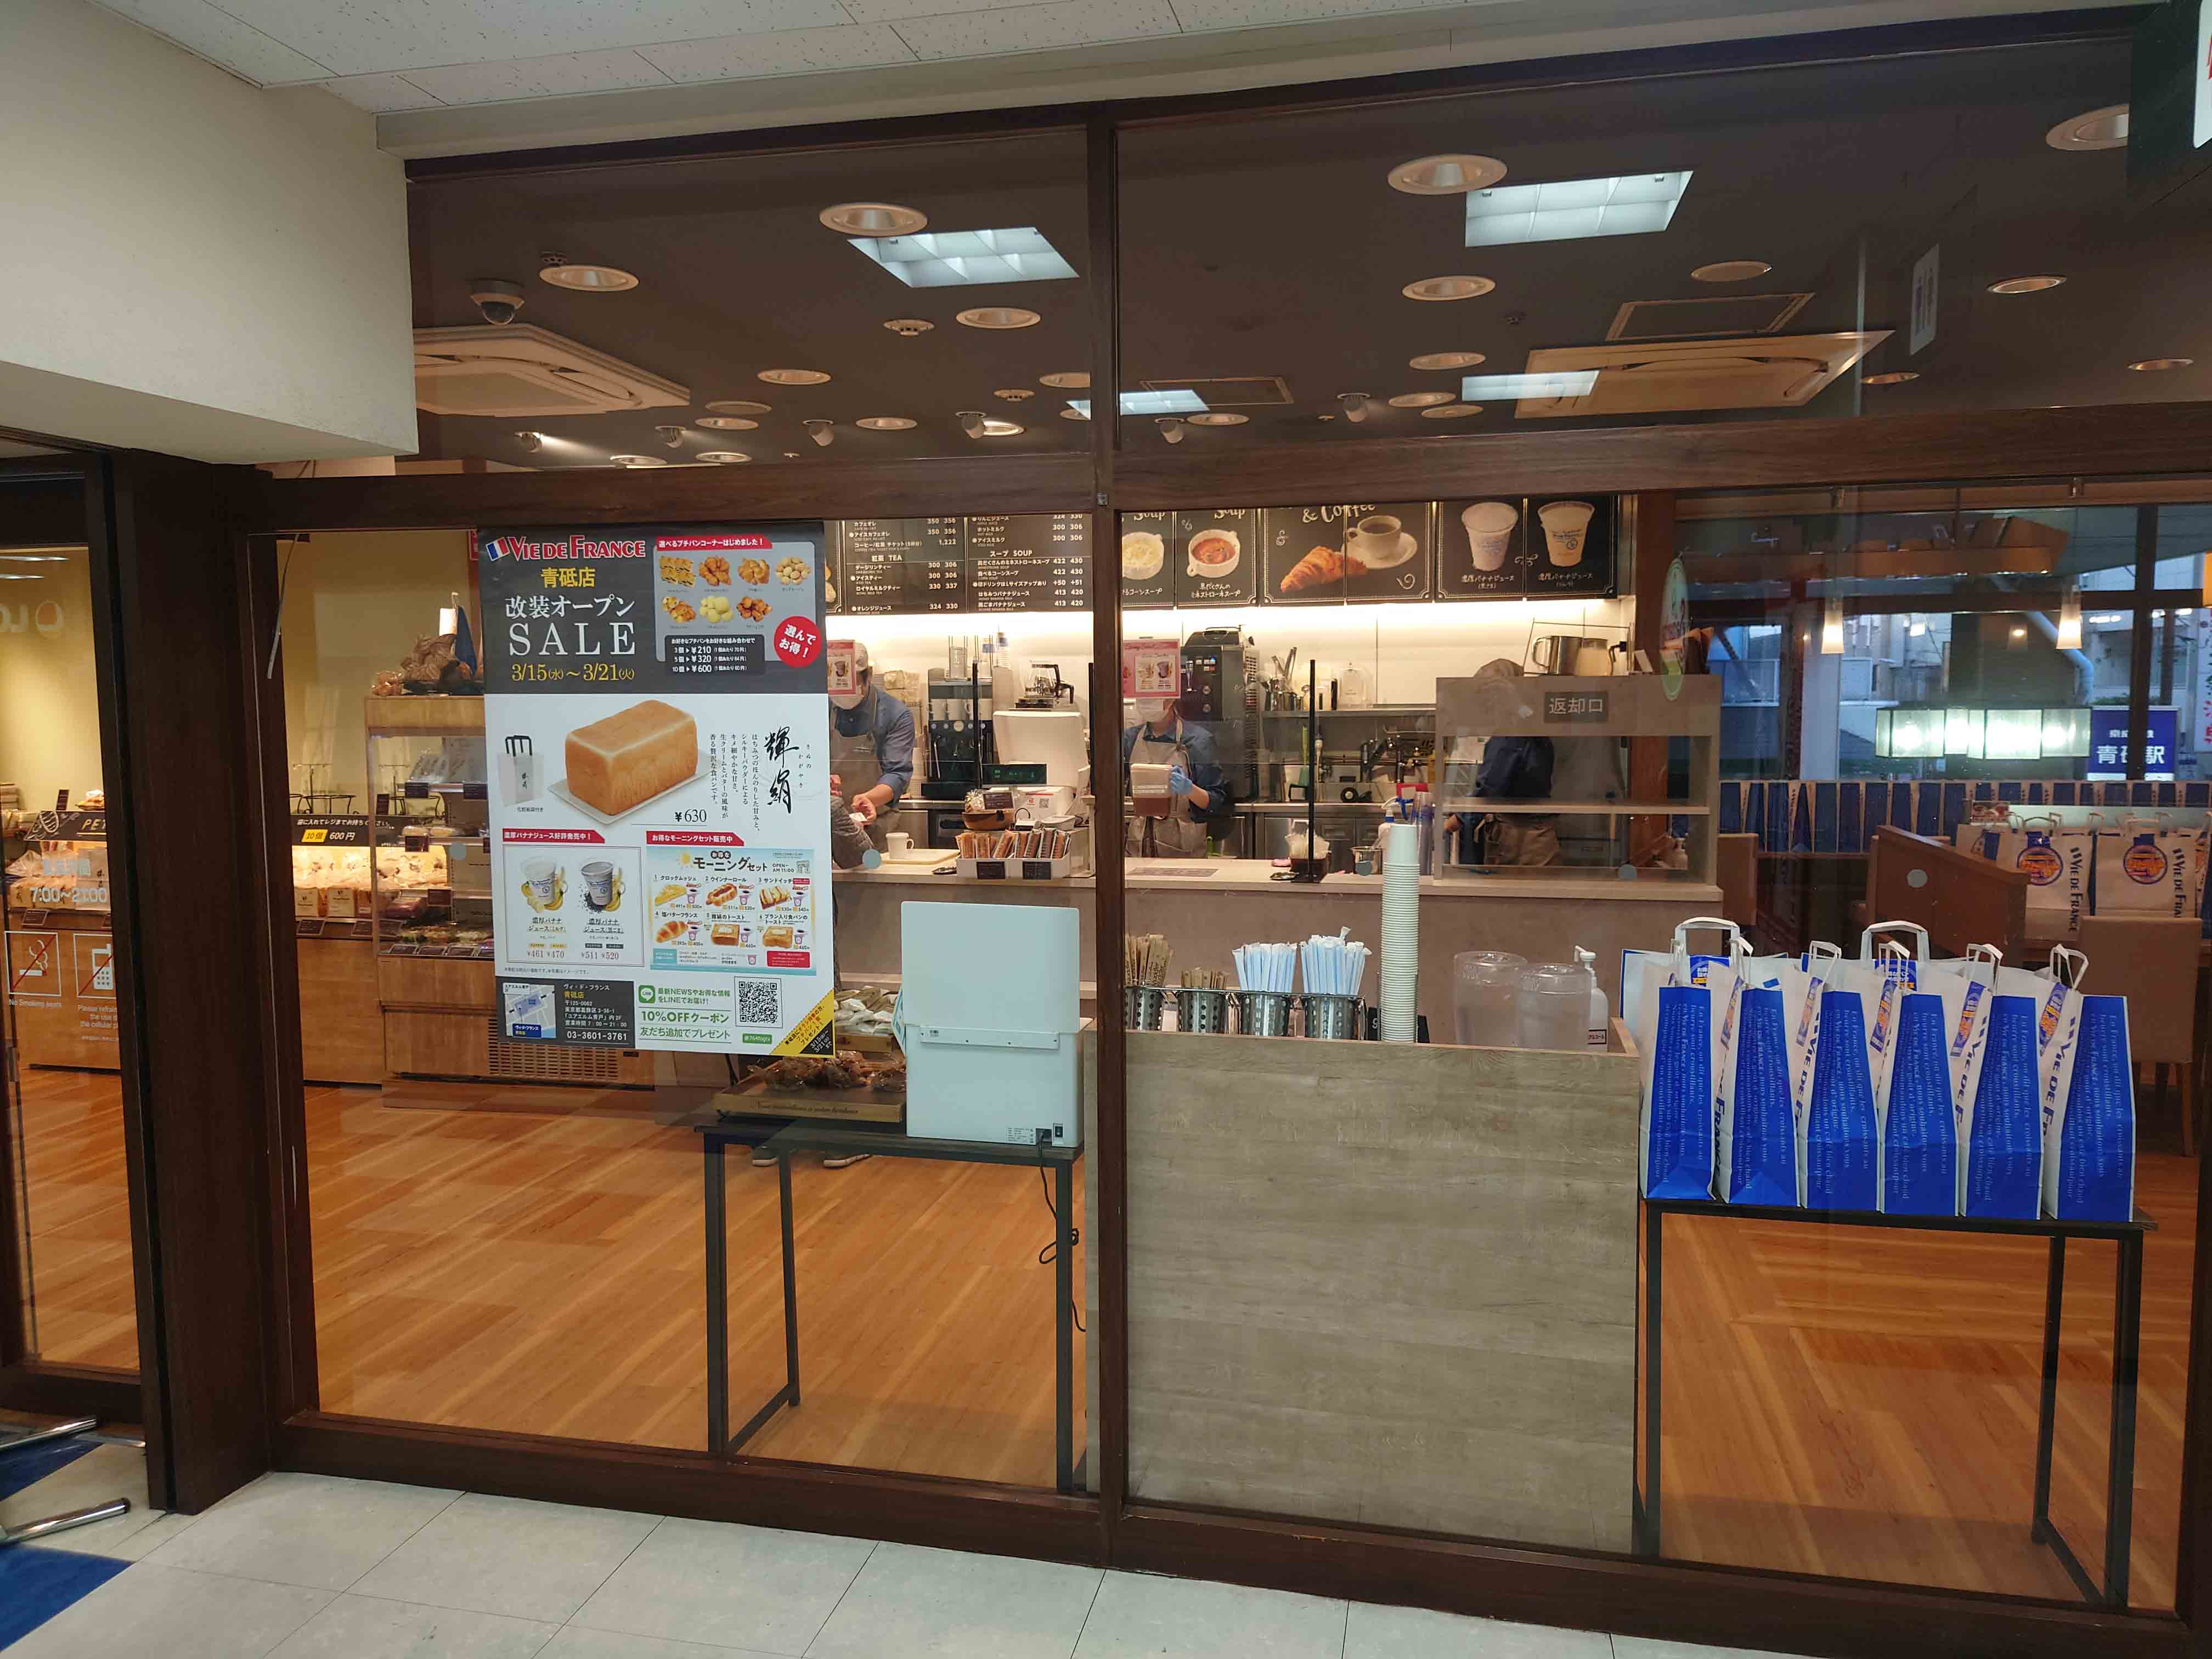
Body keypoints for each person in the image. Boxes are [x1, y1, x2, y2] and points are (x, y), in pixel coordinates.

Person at [1120, 693, 1233, 856]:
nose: (1147, 703)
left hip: (1183, 850)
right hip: (1138, 848)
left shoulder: (1198, 741)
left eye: (1153, 697)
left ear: (1172, 697)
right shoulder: (1129, 739)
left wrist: (1190, 790)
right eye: (1143, 698)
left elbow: (1216, 802)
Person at [827, 641, 913, 853]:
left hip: (876, 827)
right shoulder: (819, 707)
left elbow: (897, 774)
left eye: (851, 685)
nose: (843, 695)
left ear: (868, 676)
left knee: (874, 873)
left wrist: (869, 799)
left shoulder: (894, 714)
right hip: (828, 827)